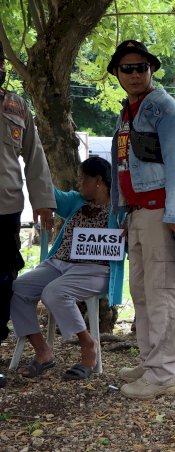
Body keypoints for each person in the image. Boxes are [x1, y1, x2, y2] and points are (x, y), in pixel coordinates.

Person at [108, 40, 175, 399]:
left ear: (151, 70)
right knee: (142, 292)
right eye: (126, 68)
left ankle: (163, 375)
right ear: (116, 73)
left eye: (140, 67)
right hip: (140, 211)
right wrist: (123, 211)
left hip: (162, 210)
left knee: (161, 294)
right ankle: (150, 361)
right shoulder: (129, 110)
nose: (133, 74)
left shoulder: (163, 107)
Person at [10, 157, 124, 380]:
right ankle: (43, 352)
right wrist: (30, 162)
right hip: (59, 264)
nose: (78, 184)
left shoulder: (120, 208)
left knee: (54, 292)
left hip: (97, 270)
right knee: (18, 289)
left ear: (98, 181)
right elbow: (47, 190)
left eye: (83, 179)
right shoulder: (76, 201)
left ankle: (88, 345)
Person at [0, 43, 56, 388]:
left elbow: (35, 158)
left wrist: (43, 201)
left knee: (2, 280)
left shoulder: (16, 105)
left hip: (5, 209)